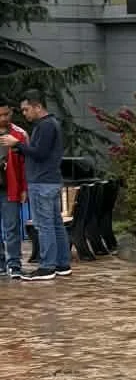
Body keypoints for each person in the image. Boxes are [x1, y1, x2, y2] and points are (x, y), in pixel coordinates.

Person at [18, 93, 68, 283]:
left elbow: (40, 153)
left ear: (37, 107)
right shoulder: (51, 124)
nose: (24, 114)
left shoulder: (46, 125)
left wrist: (19, 145)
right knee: (55, 223)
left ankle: (47, 266)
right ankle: (62, 264)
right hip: (50, 181)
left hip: (42, 182)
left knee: (44, 225)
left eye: (26, 109)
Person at [0, 103, 28, 281]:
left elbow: (26, 164)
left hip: (10, 187)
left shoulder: (19, 134)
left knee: (12, 227)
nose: (3, 118)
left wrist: (24, 188)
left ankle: (15, 265)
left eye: (6, 114)